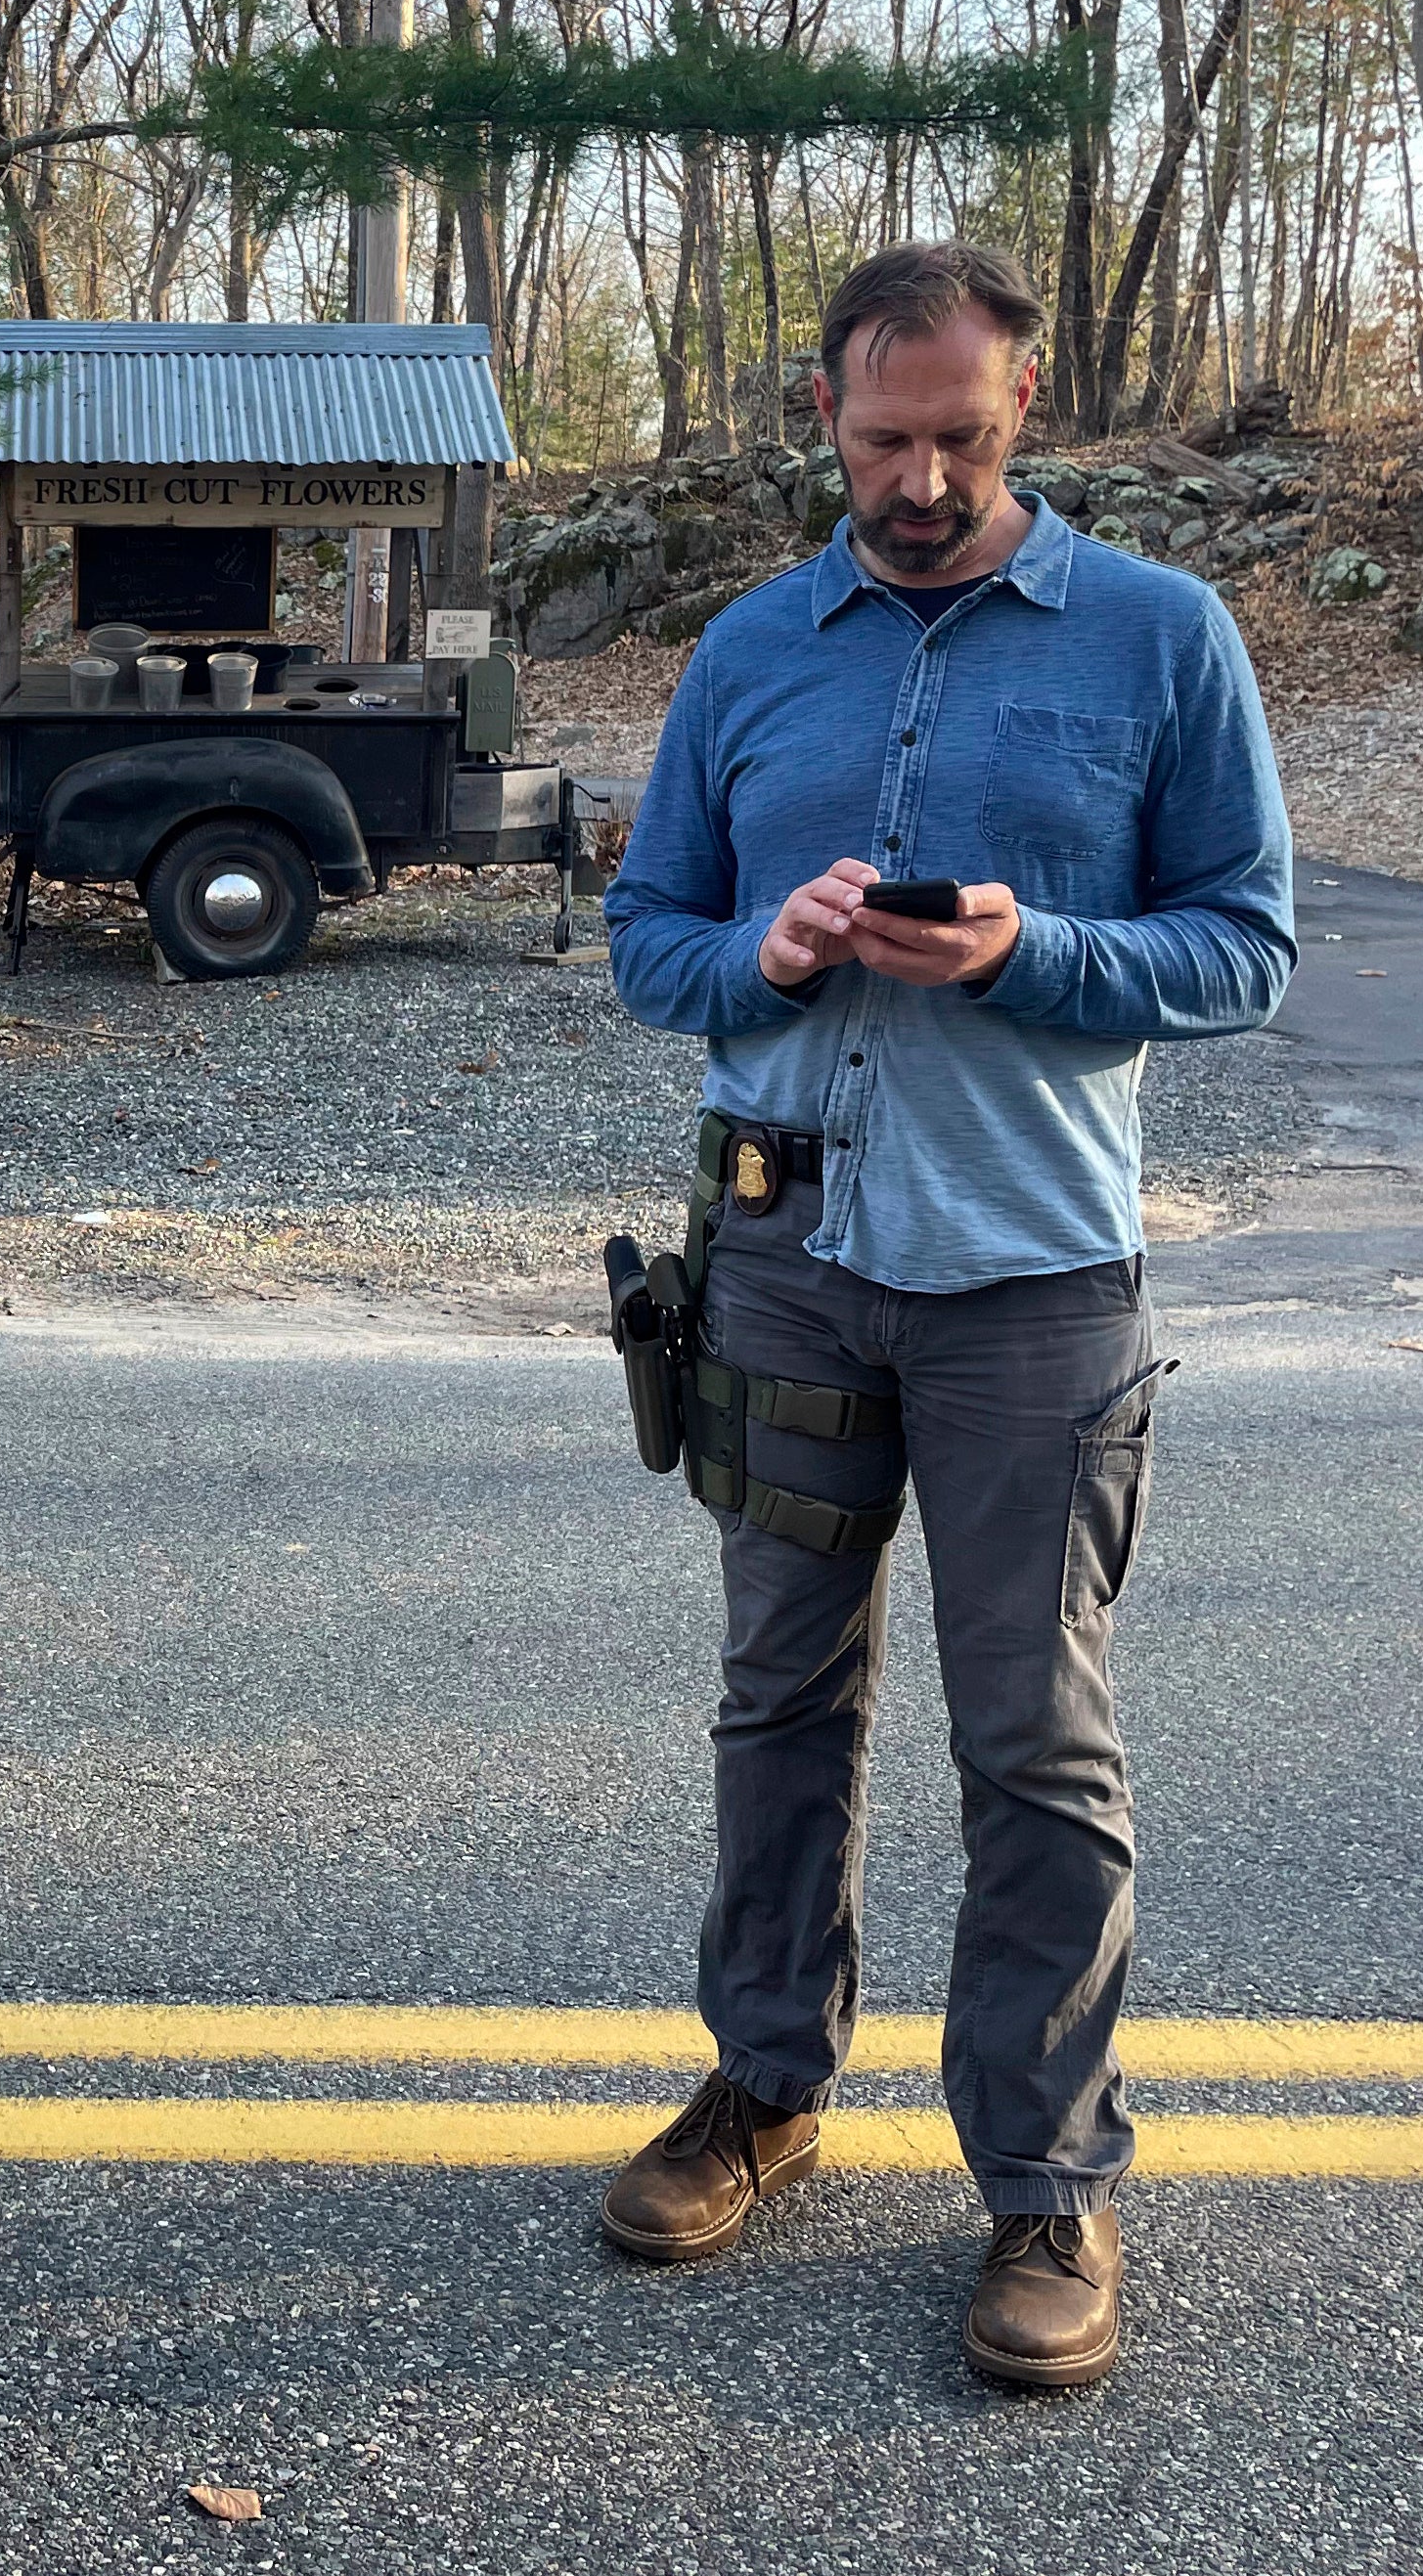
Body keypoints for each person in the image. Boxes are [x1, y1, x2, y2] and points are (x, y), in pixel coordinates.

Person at [592, 244, 1295, 2388]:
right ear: (821, 410)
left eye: (961, 440)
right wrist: (771, 955)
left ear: (1023, 411)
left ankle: (1046, 2184)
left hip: (1032, 1283)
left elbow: (1242, 949)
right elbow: (647, 940)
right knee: (776, 1701)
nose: (918, 478)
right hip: (786, 1265)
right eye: (884, 437)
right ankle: (767, 2087)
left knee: (1037, 1742)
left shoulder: (1161, 638)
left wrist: (1029, 953)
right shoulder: (747, 650)